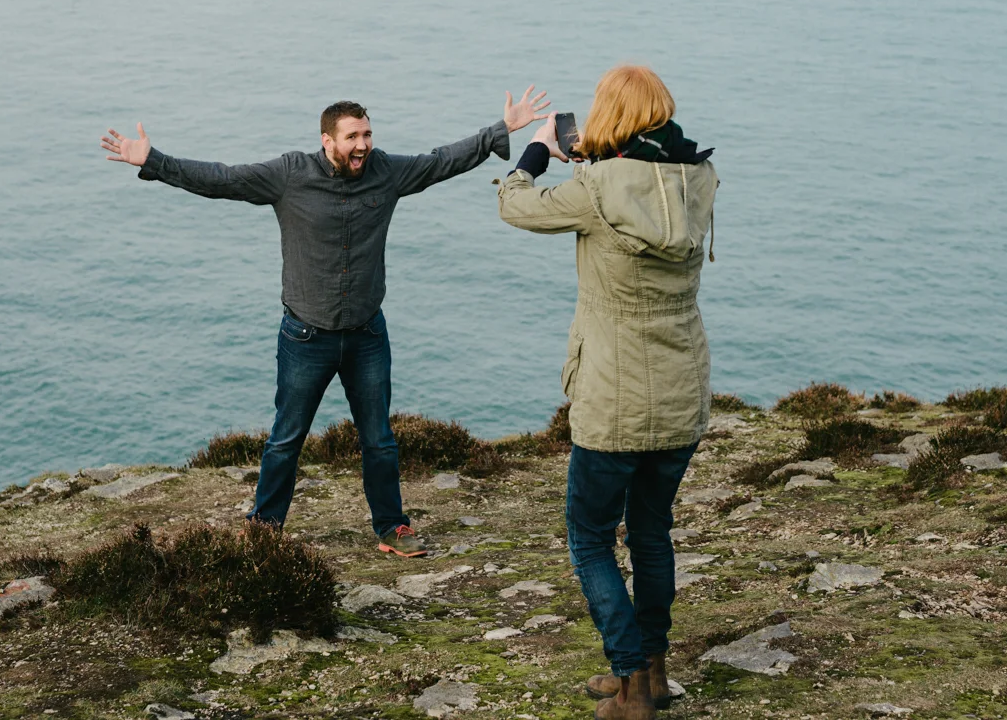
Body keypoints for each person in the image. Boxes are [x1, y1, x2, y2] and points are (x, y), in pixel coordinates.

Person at [99, 87, 550, 557]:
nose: (363, 144)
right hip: (305, 337)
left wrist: (501, 130)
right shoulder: (289, 175)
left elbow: (441, 161)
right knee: (285, 441)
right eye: (352, 137)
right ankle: (264, 528)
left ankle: (391, 528)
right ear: (327, 140)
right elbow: (222, 179)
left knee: (379, 441)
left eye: (367, 134)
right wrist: (153, 160)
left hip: (367, 335)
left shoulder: (386, 172)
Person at [496, 65, 716, 720]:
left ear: (610, 116)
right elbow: (645, 189)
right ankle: (655, 671)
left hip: (614, 400)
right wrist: (599, 155)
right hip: (680, 394)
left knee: (590, 537)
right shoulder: (698, 177)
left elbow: (516, 205)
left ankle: (630, 686)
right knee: (651, 533)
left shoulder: (592, 189)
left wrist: (538, 151)